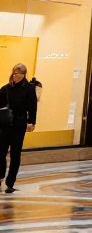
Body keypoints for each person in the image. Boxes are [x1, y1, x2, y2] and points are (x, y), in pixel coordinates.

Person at [0, 63, 37, 194]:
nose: (14, 76)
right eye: (13, 73)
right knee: (1, 152)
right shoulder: (5, 88)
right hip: (4, 125)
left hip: (19, 125)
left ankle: (10, 182)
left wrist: (31, 122)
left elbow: (32, 107)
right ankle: (0, 176)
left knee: (15, 154)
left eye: (16, 74)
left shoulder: (29, 89)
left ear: (23, 75)